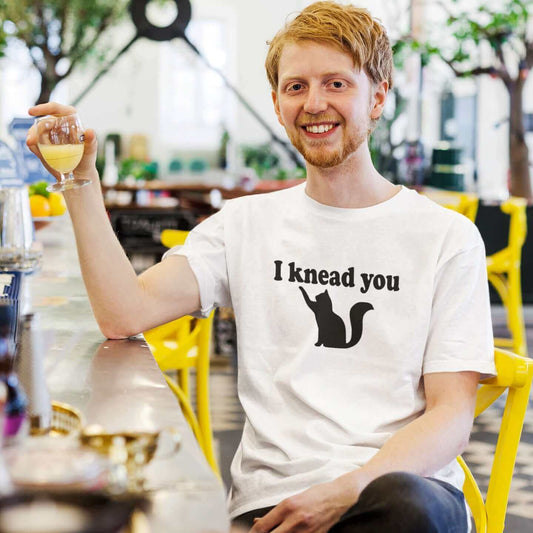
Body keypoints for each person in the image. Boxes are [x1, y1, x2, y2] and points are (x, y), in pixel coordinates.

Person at [27, 2, 496, 531]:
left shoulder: (446, 237)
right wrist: (80, 181)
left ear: (378, 95)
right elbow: (123, 314)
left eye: (336, 84)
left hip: (402, 497)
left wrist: (342, 492)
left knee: (405, 505)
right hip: (277, 503)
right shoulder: (244, 225)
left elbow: (452, 420)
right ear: (276, 103)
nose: (315, 103)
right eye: (296, 87)